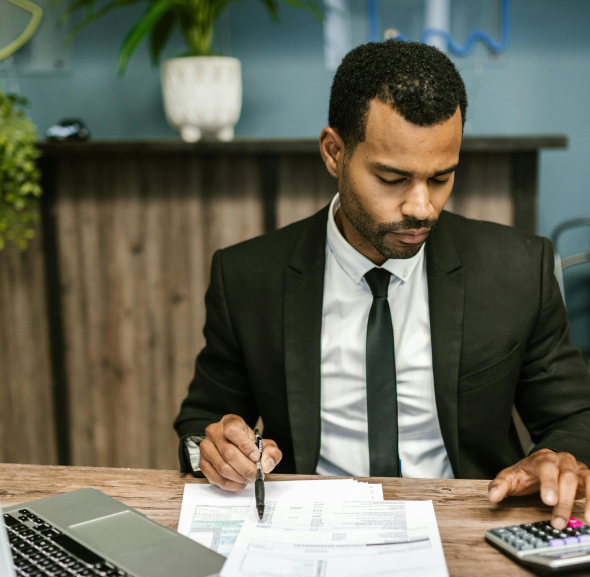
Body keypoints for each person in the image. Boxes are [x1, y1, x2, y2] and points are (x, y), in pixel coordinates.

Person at [174, 40, 590, 530]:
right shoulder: (247, 276)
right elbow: (201, 424)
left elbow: (575, 416)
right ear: (334, 152)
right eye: (392, 178)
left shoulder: (518, 269)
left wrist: (556, 457)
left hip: (471, 525)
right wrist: (214, 450)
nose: (421, 207)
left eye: (441, 178)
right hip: (307, 530)